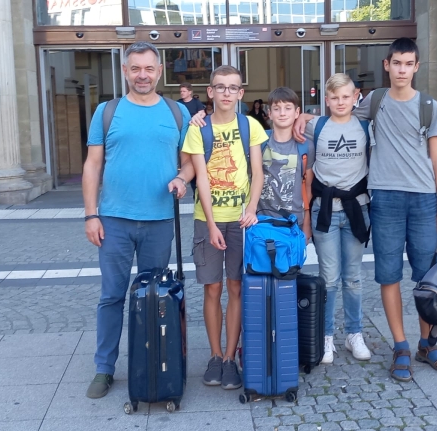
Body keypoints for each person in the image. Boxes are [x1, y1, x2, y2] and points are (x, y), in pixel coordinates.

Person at [294, 38, 437, 382]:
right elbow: (339, 114)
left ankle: (428, 343)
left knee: (426, 277)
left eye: (408, 63)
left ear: (416, 67)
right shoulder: (375, 102)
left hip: (424, 199)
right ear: (387, 65)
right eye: (396, 63)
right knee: (388, 274)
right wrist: (303, 116)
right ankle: (400, 345)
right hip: (384, 200)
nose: (402, 69)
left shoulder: (429, 106)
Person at [82, 41, 192, 399]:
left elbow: (191, 160)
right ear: (125, 71)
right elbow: (93, 165)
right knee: (112, 296)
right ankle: (104, 368)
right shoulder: (107, 111)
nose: (142, 75)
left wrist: (183, 177)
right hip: (113, 220)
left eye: (148, 68)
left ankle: (151, 362)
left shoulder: (177, 113)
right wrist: (90, 215)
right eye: (135, 68)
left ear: (159, 71)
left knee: (154, 297)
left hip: (160, 221)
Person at [182, 65, 267, 390]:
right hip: (208, 220)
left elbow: (257, 172)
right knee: (212, 288)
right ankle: (215, 356)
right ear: (211, 92)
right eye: (221, 87)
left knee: (236, 288)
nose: (227, 93)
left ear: (241, 93)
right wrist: (212, 221)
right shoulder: (198, 129)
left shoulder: (251, 126)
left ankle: (231, 357)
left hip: (241, 220)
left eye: (233, 88)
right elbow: (200, 177)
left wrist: (251, 208)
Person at [304, 74, 372, 364]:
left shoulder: (367, 126)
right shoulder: (315, 127)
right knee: (328, 278)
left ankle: (354, 333)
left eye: (346, 96)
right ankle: (326, 334)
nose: (340, 102)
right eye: (334, 98)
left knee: (353, 278)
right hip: (325, 211)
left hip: (357, 208)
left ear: (355, 96)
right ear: (326, 99)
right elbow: (306, 172)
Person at [259, 87, 314, 242]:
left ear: (297, 113)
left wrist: (307, 223)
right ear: (269, 113)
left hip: (294, 221)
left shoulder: (305, 146)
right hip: (263, 220)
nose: (282, 113)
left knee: (291, 266)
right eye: (277, 109)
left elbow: (308, 186)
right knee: (262, 266)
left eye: (288, 108)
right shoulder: (259, 142)